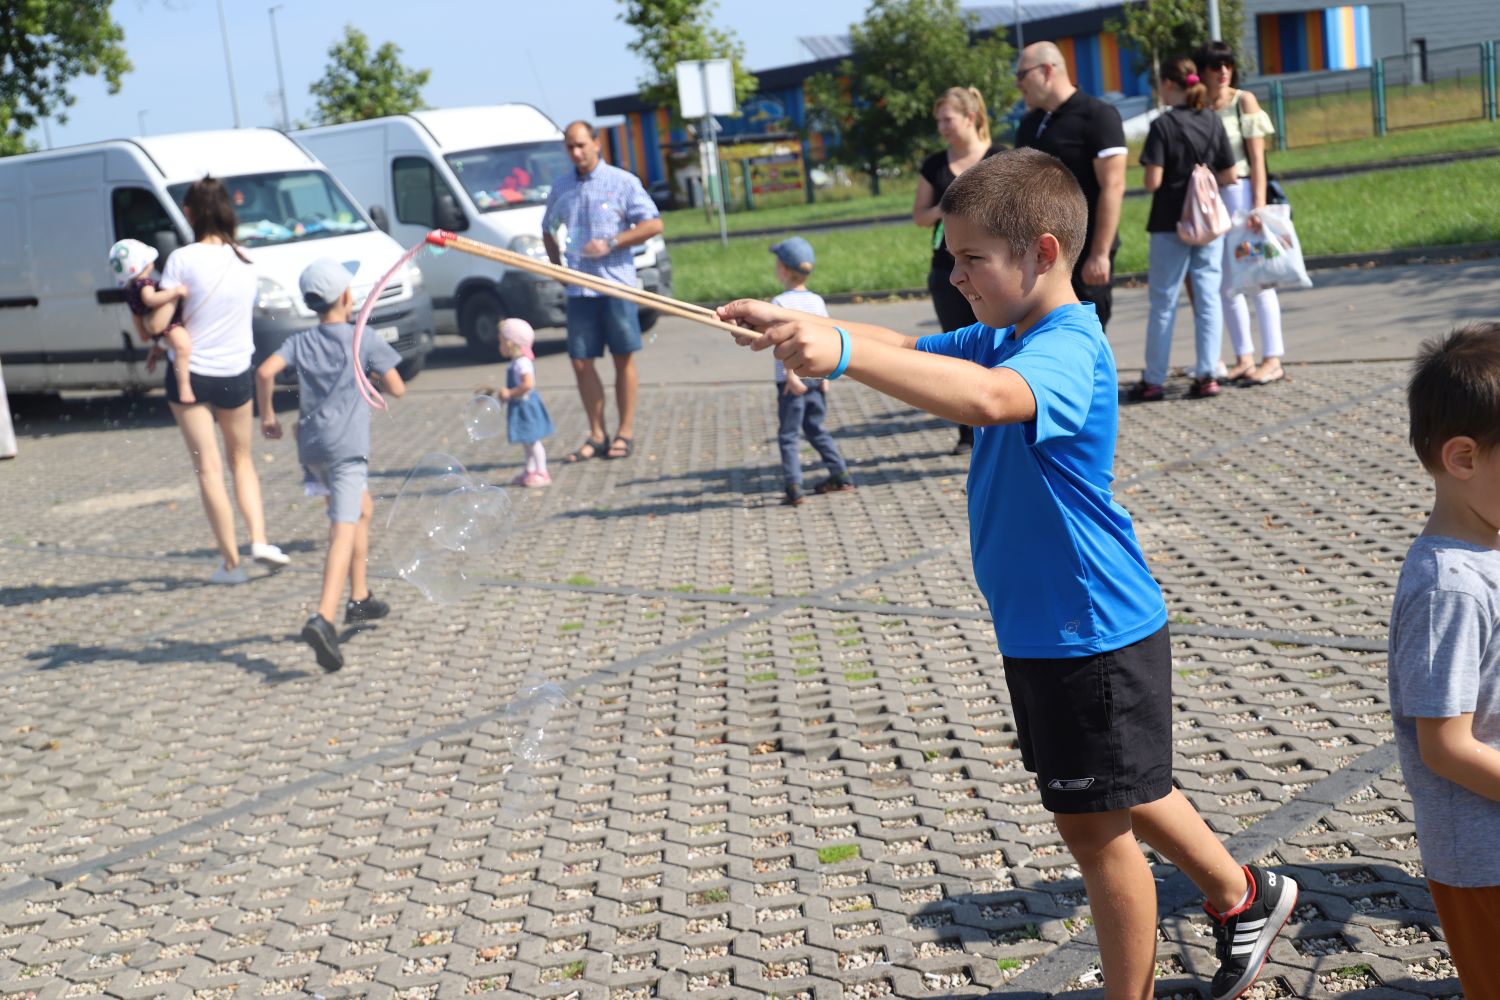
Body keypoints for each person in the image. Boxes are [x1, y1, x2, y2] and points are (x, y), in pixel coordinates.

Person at [719, 149, 1297, 1000]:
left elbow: (986, 400)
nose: (955, 276)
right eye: (951, 258)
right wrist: (791, 323)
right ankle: (1244, 895)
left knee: (1096, 834)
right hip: (1049, 627)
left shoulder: (1065, 346)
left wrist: (837, 350)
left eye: (971, 259)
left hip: (1089, 631)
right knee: (1128, 788)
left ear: (1044, 251)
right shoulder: (1006, 332)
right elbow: (911, 345)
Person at [1389, 322, 1500, 997]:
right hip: (1484, 859)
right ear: (1463, 459)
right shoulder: (1447, 588)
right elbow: (1446, 746)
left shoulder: (1485, 543)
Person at [255, 258, 406, 672]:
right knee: (342, 529)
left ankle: (360, 599)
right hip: (346, 449)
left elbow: (266, 371)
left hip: (313, 447)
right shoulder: (363, 338)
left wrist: (267, 417)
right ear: (346, 297)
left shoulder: (301, 341)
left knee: (363, 510)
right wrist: (372, 378)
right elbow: (397, 387)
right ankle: (322, 617)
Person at [143, 176, 290, 583]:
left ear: (189, 213)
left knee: (208, 470)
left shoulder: (182, 260)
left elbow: (158, 323)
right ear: (228, 211)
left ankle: (231, 566)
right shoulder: (246, 258)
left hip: (188, 375)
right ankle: (260, 540)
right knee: (241, 460)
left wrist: (151, 296)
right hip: (234, 372)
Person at [541, 120, 663, 463]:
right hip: (580, 289)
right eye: (570, 147)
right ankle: (597, 433)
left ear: (597, 144)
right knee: (581, 362)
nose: (576, 153)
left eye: (581, 145)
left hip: (615, 285)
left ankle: (625, 432)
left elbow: (653, 223)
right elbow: (547, 229)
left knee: (622, 358)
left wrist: (612, 242)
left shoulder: (623, 182)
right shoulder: (562, 187)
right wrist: (558, 270)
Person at [1131, 57, 1238, 402]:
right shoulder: (1211, 119)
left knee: (1164, 301)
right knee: (1208, 298)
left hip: (1169, 223)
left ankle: (1154, 379)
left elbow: (1153, 181)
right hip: (1207, 225)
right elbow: (1229, 174)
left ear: (1169, 85)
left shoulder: (1162, 126)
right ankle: (1208, 374)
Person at [1013, 41, 1128, 332]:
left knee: (1086, 331)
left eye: (1022, 75)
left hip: (1084, 249)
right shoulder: (1030, 123)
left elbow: (1113, 186)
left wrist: (1100, 254)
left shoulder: (1098, 116)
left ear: (1048, 70)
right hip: (1040, 251)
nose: (1018, 85)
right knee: (1043, 331)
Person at [913, 86, 1002, 455]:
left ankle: (1002, 417)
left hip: (994, 267)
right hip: (946, 270)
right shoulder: (935, 165)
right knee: (957, 346)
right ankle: (967, 432)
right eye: (938, 121)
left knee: (997, 340)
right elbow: (920, 216)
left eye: (947, 119)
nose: (942, 127)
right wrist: (946, 208)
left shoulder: (999, 158)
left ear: (969, 118)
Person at [1200, 40, 1286, 386]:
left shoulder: (1243, 101)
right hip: (1212, 198)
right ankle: (1244, 356)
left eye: (1227, 65)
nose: (1223, 71)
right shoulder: (1201, 106)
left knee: (1257, 275)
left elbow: (1257, 158)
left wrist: (1259, 205)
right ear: (1202, 72)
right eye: (1215, 66)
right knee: (1225, 282)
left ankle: (1273, 357)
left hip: (1244, 194)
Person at [766, 237, 854, 506]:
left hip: (792, 381)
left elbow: (783, 343)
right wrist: (828, 376)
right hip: (816, 379)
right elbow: (827, 338)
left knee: (789, 435)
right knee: (816, 428)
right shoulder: (816, 301)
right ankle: (840, 473)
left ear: (782, 268)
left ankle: (794, 486)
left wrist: (791, 376)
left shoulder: (779, 303)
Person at [110, 238, 195, 404]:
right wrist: (175, 292)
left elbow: (137, 315)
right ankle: (184, 386)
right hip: (168, 325)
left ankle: (176, 376)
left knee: (176, 347)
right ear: (144, 264)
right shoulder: (145, 283)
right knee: (183, 347)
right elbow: (151, 300)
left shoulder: (130, 287)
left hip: (157, 326)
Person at [483, 318, 555, 488]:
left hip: (526, 407)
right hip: (520, 406)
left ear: (510, 343)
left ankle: (542, 472)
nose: (499, 345)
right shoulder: (516, 362)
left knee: (533, 441)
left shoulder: (522, 363)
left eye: (500, 341)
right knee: (527, 441)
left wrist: (510, 392)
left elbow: (528, 384)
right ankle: (530, 470)